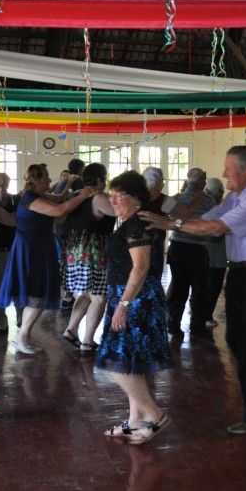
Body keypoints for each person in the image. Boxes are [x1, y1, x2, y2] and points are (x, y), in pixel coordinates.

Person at [140, 146, 246, 435]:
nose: (224, 173)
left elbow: (215, 227)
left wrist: (171, 223)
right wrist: (175, 222)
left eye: (229, 167)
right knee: (238, 340)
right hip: (242, 273)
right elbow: (208, 218)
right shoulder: (236, 196)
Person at [98, 171, 172, 444]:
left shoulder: (137, 225)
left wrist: (123, 305)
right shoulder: (131, 223)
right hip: (128, 295)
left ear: (137, 198)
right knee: (130, 362)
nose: (114, 201)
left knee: (118, 363)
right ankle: (134, 420)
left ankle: (154, 415)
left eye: (121, 195)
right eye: (112, 195)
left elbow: (140, 268)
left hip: (135, 298)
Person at [0, 163, 95, 355]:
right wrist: (84, 195)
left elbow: (59, 199)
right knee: (36, 294)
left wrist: (68, 184)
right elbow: (60, 211)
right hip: (30, 249)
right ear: (36, 179)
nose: (50, 180)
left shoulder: (38, 195)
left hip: (39, 247)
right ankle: (22, 336)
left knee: (38, 294)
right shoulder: (29, 198)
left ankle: (23, 336)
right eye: (46, 177)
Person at [60, 163, 116, 353]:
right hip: (94, 252)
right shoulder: (99, 198)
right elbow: (119, 213)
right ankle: (87, 341)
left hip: (75, 251)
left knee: (85, 294)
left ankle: (71, 330)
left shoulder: (77, 195)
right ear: (100, 180)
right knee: (99, 298)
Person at [164, 167, 216, 341]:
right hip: (198, 248)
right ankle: (197, 326)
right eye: (204, 179)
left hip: (177, 247)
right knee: (199, 289)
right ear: (201, 181)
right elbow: (213, 222)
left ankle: (173, 324)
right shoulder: (208, 200)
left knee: (178, 287)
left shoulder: (175, 198)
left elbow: (165, 212)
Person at [53, 158, 85, 310]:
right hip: (70, 228)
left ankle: (66, 294)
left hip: (59, 227)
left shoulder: (61, 181)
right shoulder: (78, 182)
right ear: (81, 169)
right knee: (70, 262)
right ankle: (68, 296)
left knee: (64, 261)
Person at [0, 173, 18, 336]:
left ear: (8, 184)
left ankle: (21, 321)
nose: (0, 188)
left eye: (3, 184)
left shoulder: (16, 200)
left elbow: (17, 220)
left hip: (13, 249)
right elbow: (12, 220)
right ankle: (1, 324)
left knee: (17, 285)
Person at [200, 177, 226, 328]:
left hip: (217, 255)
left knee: (213, 285)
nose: (220, 194)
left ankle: (205, 315)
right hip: (210, 253)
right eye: (218, 191)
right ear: (208, 191)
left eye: (221, 191)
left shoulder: (222, 207)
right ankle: (205, 315)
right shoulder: (207, 206)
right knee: (209, 285)